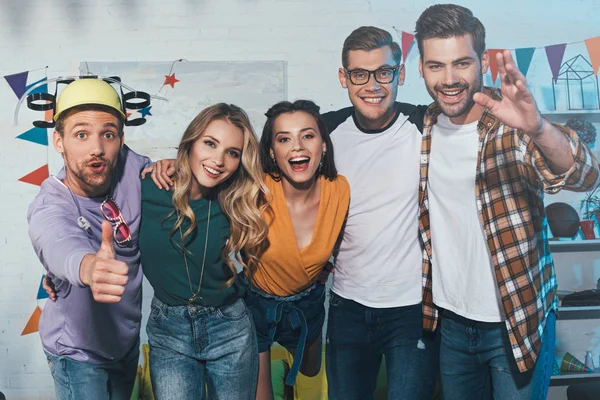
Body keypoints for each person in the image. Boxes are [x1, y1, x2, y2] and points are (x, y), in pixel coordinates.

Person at [414, 4, 600, 399]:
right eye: (436, 66)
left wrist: (538, 128)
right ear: (421, 67)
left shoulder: (511, 121)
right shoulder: (426, 124)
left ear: (482, 60)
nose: (449, 79)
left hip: (515, 320)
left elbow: (585, 175)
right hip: (450, 322)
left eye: (461, 63)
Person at [322, 26, 439, 400]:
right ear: (344, 78)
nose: (372, 85)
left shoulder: (426, 126)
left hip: (412, 308)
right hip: (347, 306)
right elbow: (260, 161)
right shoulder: (325, 133)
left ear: (400, 74)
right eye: (360, 74)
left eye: (383, 72)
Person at [27, 78, 153, 399]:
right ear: (59, 141)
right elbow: (57, 242)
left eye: (107, 134)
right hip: (77, 352)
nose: (97, 148)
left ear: (121, 140)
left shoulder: (132, 168)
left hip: (124, 344)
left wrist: (171, 168)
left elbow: (180, 176)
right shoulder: (50, 203)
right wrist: (88, 267)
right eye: (81, 135)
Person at [138, 103, 268, 400]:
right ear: (191, 143)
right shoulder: (148, 188)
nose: (218, 160)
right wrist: (61, 271)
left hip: (231, 329)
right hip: (169, 332)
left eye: (232, 153)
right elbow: (91, 210)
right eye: (210, 143)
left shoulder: (238, 201)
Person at [243, 100, 350, 399]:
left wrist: (325, 268)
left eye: (308, 135)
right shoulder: (253, 189)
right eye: (284, 139)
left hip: (307, 304)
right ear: (272, 152)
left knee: (310, 371)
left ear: (324, 145)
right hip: (255, 305)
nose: (297, 147)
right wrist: (172, 164)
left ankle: (286, 372)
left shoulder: (340, 190)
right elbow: (207, 175)